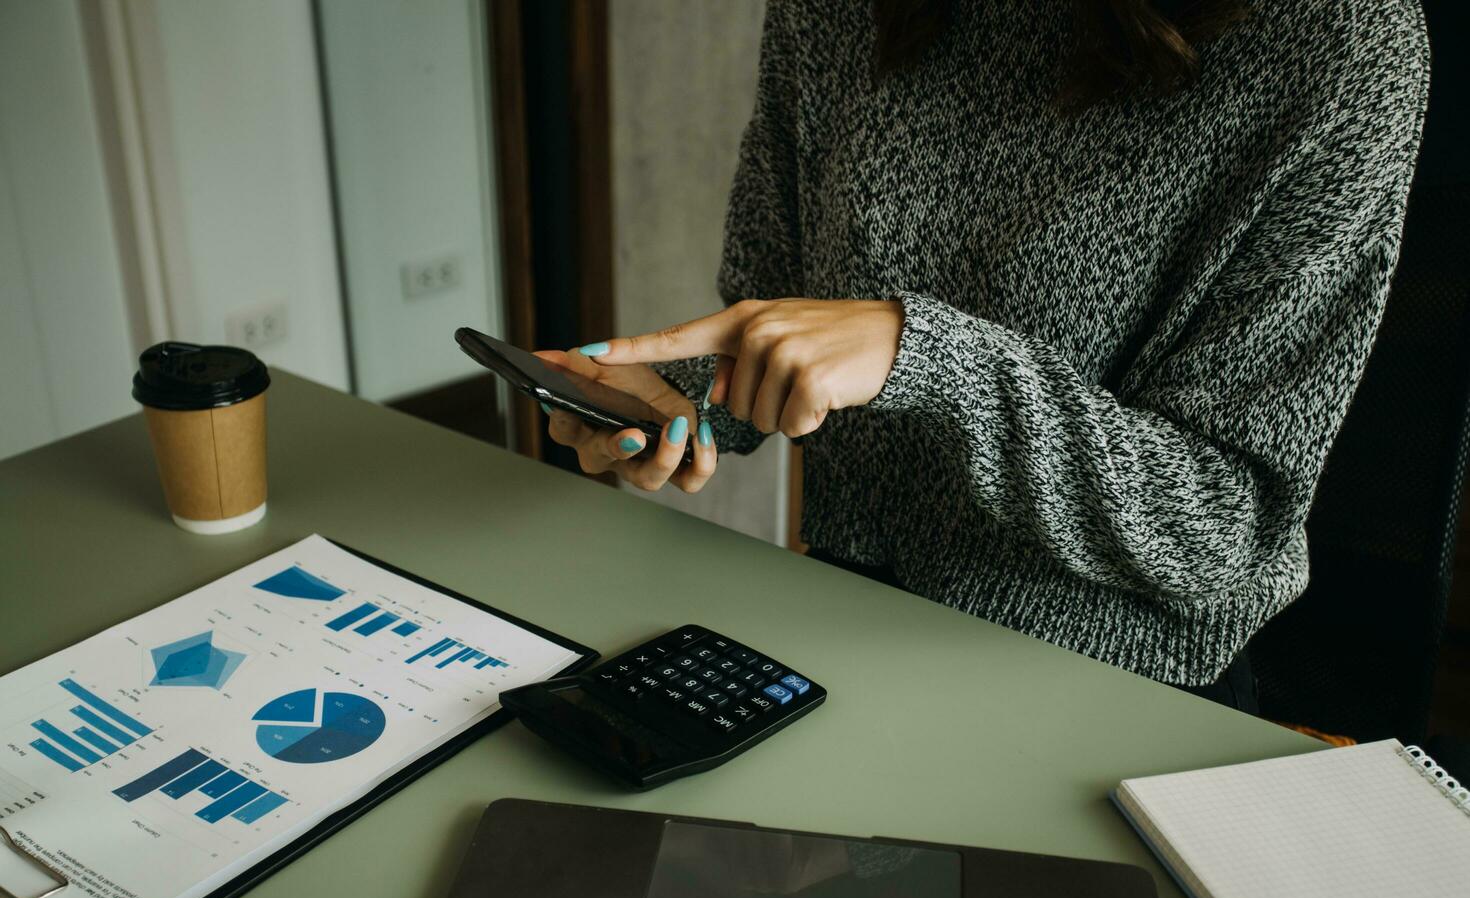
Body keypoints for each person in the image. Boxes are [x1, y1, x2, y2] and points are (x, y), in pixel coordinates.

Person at [538, 0, 1429, 711]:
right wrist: (674, 396)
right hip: (843, 624)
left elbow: (1226, 529)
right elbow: (778, 307)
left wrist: (931, 356)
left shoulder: (1342, 38)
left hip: (1119, 684)